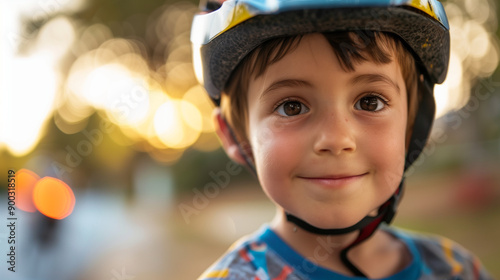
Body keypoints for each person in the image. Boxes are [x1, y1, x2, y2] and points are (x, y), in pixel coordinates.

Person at [190, 0, 493, 279]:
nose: (336, 139)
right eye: (291, 107)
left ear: (414, 123)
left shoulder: (456, 269)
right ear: (233, 135)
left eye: (370, 102)